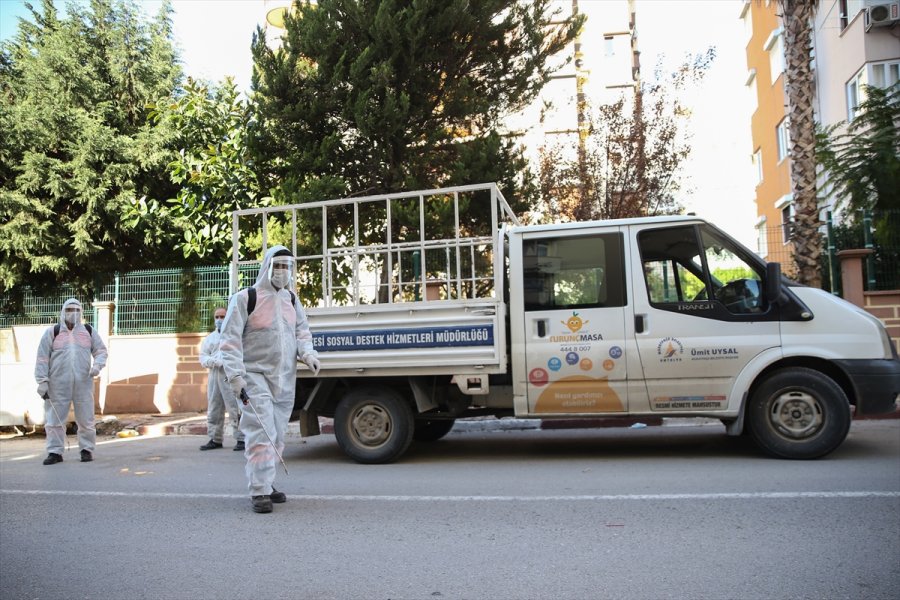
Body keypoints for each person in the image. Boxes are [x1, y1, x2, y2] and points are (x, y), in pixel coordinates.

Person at [220, 245, 320, 514]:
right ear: (267, 267)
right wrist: (235, 376)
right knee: (261, 432)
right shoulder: (246, 298)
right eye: (278, 266)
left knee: (276, 434)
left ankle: (267, 482)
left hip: (284, 379)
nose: (282, 271)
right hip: (254, 376)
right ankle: (259, 491)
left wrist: (308, 353)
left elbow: (302, 332)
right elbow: (229, 341)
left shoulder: (292, 300)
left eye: (287, 266)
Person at [34, 298, 108, 465]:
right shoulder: (52, 332)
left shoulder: (88, 331)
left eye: (76, 310)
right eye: (69, 310)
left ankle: (86, 450)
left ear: (81, 312)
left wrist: (97, 366)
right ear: (63, 312)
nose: (73, 313)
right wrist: (42, 381)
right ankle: (55, 452)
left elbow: (101, 351)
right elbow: (42, 358)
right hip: (57, 383)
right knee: (54, 419)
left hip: (83, 382)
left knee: (86, 418)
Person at [198, 307, 245, 452]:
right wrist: (213, 361)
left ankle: (241, 438)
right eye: (217, 317)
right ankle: (215, 438)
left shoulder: (234, 336)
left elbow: (238, 354)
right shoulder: (210, 338)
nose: (219, 320)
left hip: (230, 374)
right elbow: (203, 357)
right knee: (214, 407)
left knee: (234, 407)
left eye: (222, 317)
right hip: (214, 375)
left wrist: (225, 361)